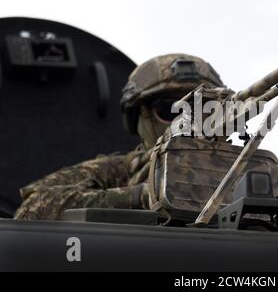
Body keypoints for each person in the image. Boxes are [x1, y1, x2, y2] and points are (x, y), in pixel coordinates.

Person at [14, 53, 226, 220]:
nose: (188, 122)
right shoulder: (117, 172)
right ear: (139, 119)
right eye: (171, 110)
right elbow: (34, 206)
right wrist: (144, 196)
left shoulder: (248, 168)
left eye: (204, 111)